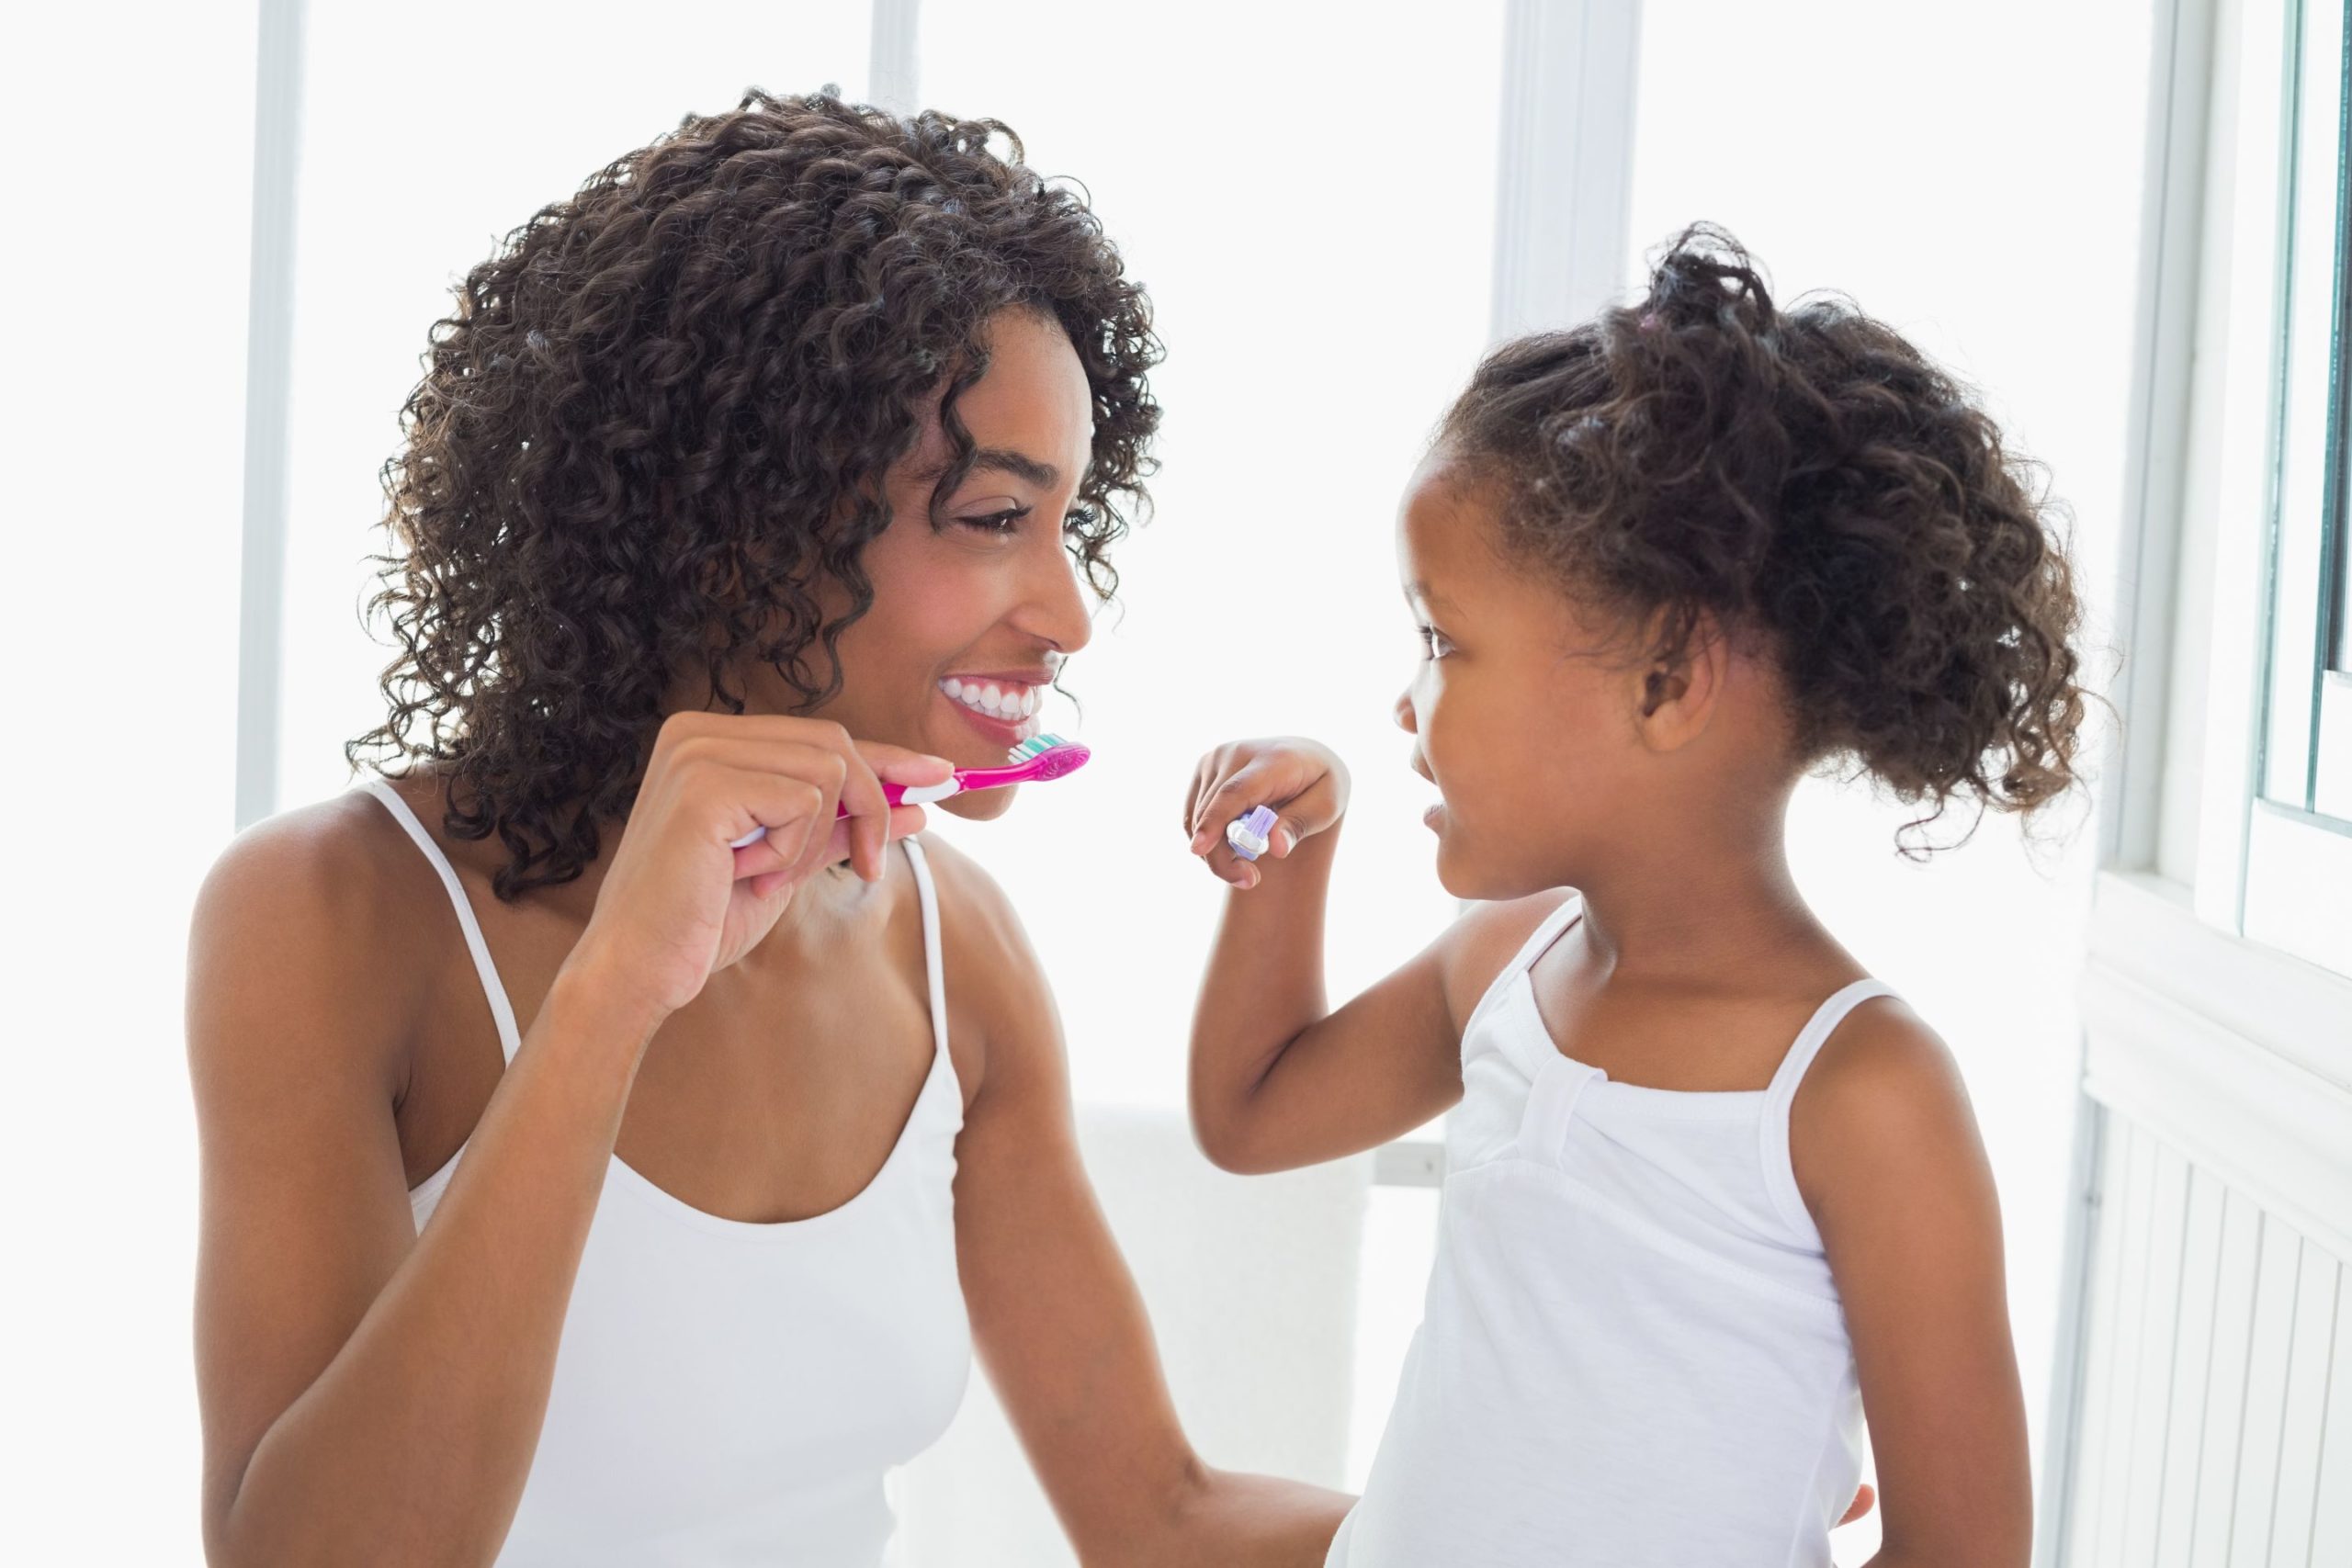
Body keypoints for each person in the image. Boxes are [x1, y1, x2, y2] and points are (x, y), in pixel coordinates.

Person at [188, 89, 1351, 1567]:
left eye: (1069, 526)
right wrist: (614, 995)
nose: (1068, 613)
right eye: (996, 518)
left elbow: (1161, 1516)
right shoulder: (333, 913)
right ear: (744, 523)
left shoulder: (959, 949)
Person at [1182, 226, 2072, 1567]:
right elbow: (1251, 1115)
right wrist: (1287, 861)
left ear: (1665, 682)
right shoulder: (1506, 962)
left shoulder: (1864, 1095)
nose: (1406, 699)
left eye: (1444, 641)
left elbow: (1966, 1554)